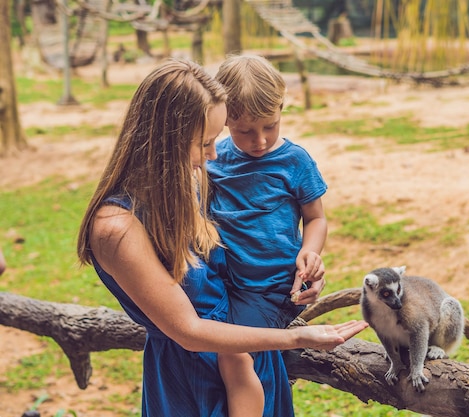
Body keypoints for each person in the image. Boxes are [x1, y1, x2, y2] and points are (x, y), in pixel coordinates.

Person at [76, 58, 367, 417]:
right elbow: (188, 330)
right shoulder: (116, 229)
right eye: (206, 142)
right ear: (166, 142)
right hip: (194, 377)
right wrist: (295, 337)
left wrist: (299, 274)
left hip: (250, 352)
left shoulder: (187, 184)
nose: (215, 155)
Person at [207, 54, 328, 417]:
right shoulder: (215, 157)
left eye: (269, 126)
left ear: (281, 110)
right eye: (244, 131)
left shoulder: (295, 161)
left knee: (233, 352)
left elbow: (316, 218)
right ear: (224, 118)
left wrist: (311, 252)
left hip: (273, 287)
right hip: (227, 282)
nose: (259, 141)